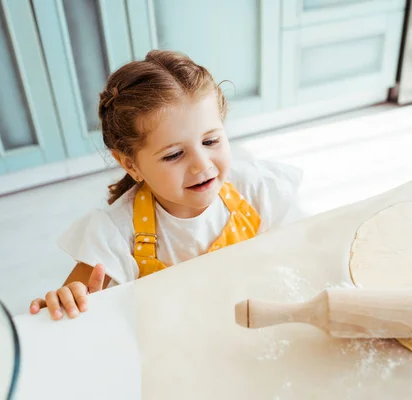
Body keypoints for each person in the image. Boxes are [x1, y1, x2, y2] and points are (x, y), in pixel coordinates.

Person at [29, 50, 302, 320]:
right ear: (131, 164)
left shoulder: (256, 189)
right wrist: (65, 302)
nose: (202, 165)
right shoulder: (116, 236)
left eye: (210, 141)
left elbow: (299, 255)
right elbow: (72, 305)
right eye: (174, 155)